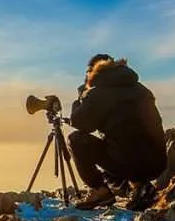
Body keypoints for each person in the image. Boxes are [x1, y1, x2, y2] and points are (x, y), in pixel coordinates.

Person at [68, 53, 167, 210]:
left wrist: (80, 99)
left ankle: (99, 190)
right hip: (158, 163)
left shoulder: (99, 92)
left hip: (128, 162)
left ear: (92, 71)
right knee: (124, 143)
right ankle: (139, 187)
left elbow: (79, 123)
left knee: (76, 139)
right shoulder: (140, 88)